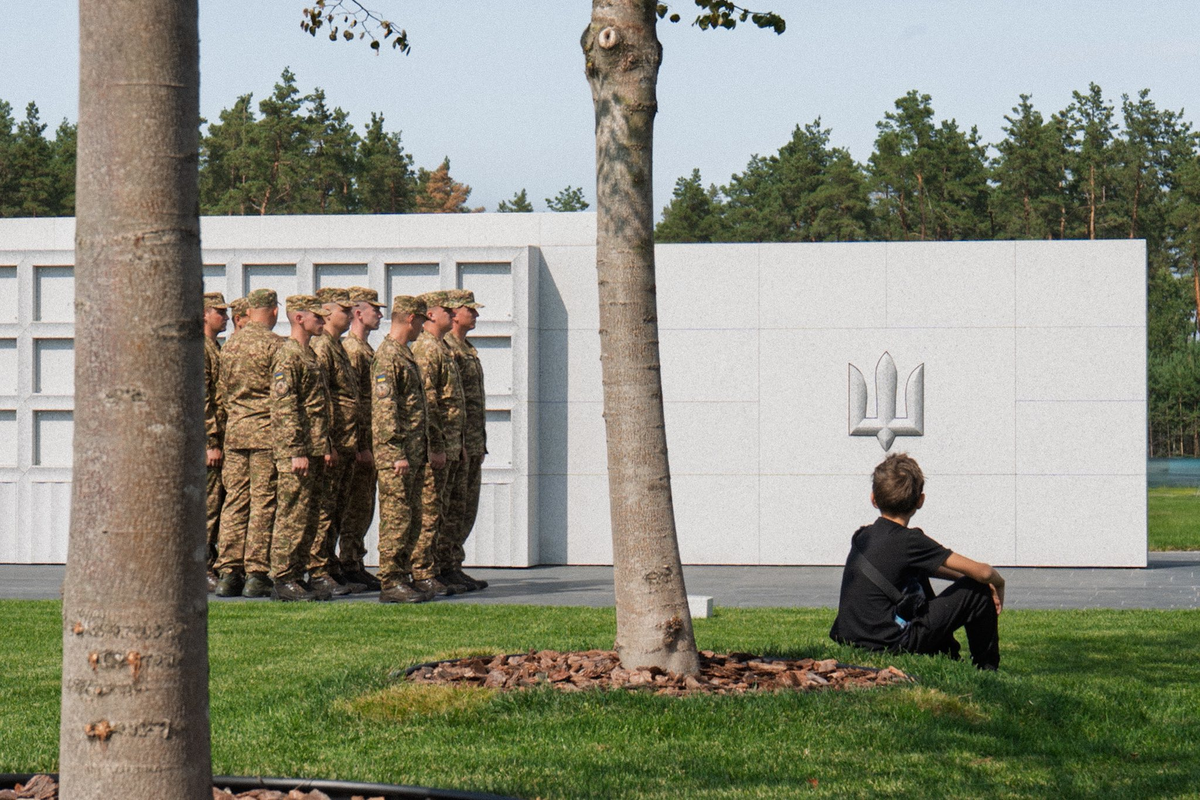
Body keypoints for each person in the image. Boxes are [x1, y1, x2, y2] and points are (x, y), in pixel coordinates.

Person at [829, 453, 1003, 670]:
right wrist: (997, 583)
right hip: (891, 641)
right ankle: (987, 668)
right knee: (977, 591)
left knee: (933, 575)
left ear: (873, 498)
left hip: (853, 636)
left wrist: (965, 577)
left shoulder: (863, 536)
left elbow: (925, 565)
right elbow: (984, 572)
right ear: (920, 500)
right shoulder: (910, 541)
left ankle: (946, 652)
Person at [214, 288, 283, 598]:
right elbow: (281, 396)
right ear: (273, 311)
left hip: (236, 432)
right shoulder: (275, 345)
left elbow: (222, 394)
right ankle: (256, 572)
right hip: (265, 432)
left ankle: (228, 572)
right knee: (263, 501)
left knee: (235, 501)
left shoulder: (230, 346)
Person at [268, 295, 334, 602]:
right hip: (298, 451)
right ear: (299, 319)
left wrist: (324, 446)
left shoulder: (309, 354)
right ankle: (283, 578)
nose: (322, 321)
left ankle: (298, 574)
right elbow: (285, 407)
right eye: (317, 317)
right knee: (292, 514)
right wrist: (296, 450)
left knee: (309, 516)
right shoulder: (288, 356)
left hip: (314, 448)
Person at [372, 296, 435, 603]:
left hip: (412, 451)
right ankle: (391, 580)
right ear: (411, 318)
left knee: (411, 515)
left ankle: (404, 574)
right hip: (396, 454)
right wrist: (396, 452)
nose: (423, 327)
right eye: (422, 320)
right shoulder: (388, 356)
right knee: (396, 517)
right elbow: (386, 409)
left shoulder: (404, 354)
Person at [307, 287, 363, 596]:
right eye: (344, 309)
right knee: (324, 508)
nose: (350, 314)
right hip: (332, 442)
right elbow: (320, 399)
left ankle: (330, 566)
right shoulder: (322, 347)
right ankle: (317, 571)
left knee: (338, 507)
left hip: (345, 441)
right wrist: (326, 442)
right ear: (328, 312)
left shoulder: (336, 346)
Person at [411, 290, 467, 597]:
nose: (453, 314)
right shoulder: (426, 349)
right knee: (429, 510)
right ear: (431, 314)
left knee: (443, 510)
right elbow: (428, 403)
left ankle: (440, 567)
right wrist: (435, 446)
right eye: (448, 310)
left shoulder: (441, 347)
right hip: (437, 446)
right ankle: (422, 571)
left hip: (450, 444)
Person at [336, 286, 386, 591]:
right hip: (358, 442)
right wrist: (359, 444)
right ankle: (347, 563)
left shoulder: (365, 349)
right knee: (353, 505)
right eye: (374, 309)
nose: (379, 314)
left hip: (368, 439)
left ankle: (353, 561)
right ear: (358, 313)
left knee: (363, 505)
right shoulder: (353, 351)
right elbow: (352, 403)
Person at [440, 289, 489, 591]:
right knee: (449, 507)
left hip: (471, 442)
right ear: (455, 313)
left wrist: (478, 441)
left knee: (464, 508)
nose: (476, 315)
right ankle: (440, 565)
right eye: (470, 310)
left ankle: (453, 563)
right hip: (455, 443)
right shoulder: (446, 349)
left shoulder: (467, 349)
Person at [202, 292, 229, 593]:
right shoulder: (202, 349)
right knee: (208, 508)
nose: (226, 318)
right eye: (219, 312)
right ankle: (202, 567)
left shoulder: (215, 348)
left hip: (220, 438)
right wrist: (210, 442)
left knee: (217, 505)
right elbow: (203, 399)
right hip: (209, 442)